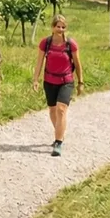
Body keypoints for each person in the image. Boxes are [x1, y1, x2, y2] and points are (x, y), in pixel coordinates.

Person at [32, 14, 84, 157]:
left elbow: (78, 65)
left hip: (66, 81)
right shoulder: (46, 43)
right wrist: (35, 79)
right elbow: (39, 63)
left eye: (63, 27)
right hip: (49, 81)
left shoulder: (70, 44)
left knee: (61, 110)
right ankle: (59, 133)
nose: (60, 29)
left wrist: (80, 82)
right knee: (53, 110)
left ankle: (58, 142)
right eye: (58, 26)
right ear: (52, 27)